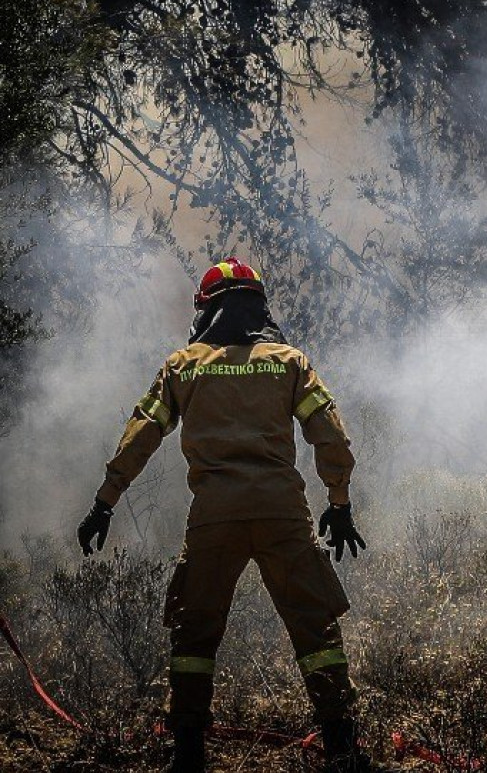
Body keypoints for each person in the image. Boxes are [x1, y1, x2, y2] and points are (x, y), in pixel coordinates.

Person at [77, 257, 378, 772]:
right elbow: (331, 436)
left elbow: (141, 435)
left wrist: (105, 501)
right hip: (283, 513)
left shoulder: (184, 365)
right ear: (258, 305)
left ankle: (189, 754)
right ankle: (342, 747)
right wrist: (339, 503)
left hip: (214, 516)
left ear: (206, 310)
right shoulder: (289, 361)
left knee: (194, 634)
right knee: (315, 630)